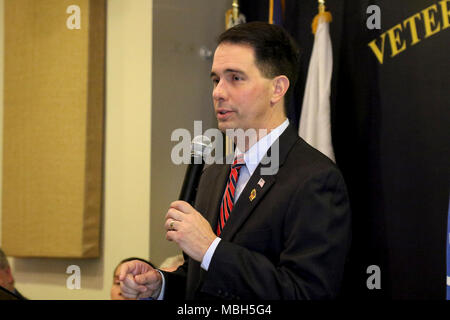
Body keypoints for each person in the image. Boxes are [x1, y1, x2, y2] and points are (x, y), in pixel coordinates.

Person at [119, 21, 351, 300]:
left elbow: (306, 293)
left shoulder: (314, 179)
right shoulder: (214, 174)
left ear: (277, 89)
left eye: (235, 78)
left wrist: (210, 249)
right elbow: (203, 280)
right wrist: (160, 285)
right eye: (216, 79)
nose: (218, 92)